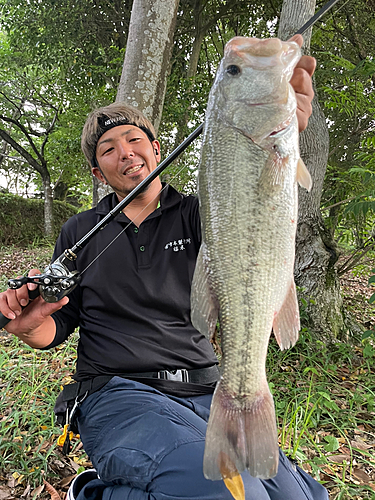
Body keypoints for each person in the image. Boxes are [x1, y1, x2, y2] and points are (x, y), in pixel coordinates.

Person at [0, 35, 328, 500]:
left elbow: (256, 205)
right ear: (98, 172)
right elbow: (59, 325)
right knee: (235, 496)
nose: (126, 152)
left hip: (205, 387)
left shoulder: (201, 213)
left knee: (302, 499)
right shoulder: (80, 232)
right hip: (118, 393)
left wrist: (284, 132)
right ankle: (95, 493)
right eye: (109, 149)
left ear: (156, 149)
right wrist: (30, 325)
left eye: (135, 139)